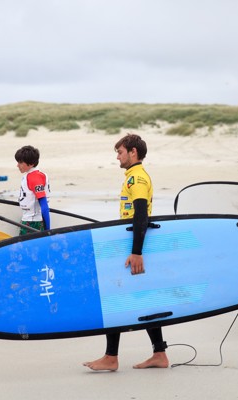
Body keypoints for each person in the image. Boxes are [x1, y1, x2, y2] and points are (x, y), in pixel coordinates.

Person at [83, 133, 169, 372]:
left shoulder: (137, 179)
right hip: (133, 244)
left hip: (134, 247)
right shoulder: (133, 176)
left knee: (114, 298)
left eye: (120, 152)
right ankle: (159, 353)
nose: (118, 157)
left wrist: (136, 252)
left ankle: (112, 357)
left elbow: (141, 214)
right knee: (144, 298)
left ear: (133, 152)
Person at [15, 145, 50, 234]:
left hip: (33, 223)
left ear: (30, 164)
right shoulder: (31, 175)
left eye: (20, 162)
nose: (17, 165)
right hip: (29, 220)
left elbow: (44, 205)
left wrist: (48, 230)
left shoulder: (35, 178)